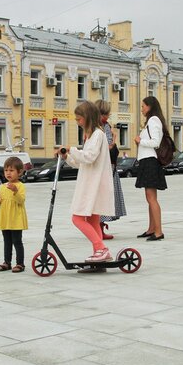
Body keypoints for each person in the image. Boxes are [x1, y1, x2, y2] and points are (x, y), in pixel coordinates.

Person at [57, 101, 116, 270]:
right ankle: (99, 256)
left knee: (77, 218)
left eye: (79, 119)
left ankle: (101, 249)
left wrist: (71, 148)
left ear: (87, 118)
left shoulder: (98, 134)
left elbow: (89, 157)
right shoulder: (91, 136)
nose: (78, 122)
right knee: (93, 220)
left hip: (93, 185)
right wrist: (67, 156)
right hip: (91, 183)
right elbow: (82, 162)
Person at [134, 96, 167, 241]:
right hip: (147, 161)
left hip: (150, 161)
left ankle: (158, 231)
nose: (141, 109)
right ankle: (151, 228)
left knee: (151, 198)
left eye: (143, 106)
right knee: (150, 198)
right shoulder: (152, 121)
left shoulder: (154, 120)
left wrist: (140, 140)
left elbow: (155, 142)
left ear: (150, 106)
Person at [95, 99, 126, 240]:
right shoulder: (103, 127)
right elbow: (107, 147)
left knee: (99, 200)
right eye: (106, 114)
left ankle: (99, 229)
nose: (107, 116)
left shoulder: (93, 126)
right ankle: (99, 231)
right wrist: (113, 139)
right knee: (104, 199)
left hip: (100, 167)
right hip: (106, 168)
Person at [0, 157, 28, 273]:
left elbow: (21, 200)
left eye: (11, 170)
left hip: (16, 219)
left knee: (17, 241)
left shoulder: (20, 186)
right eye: (6, 170)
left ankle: (20, 263)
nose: (8, 173)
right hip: (5, 218)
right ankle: (7, 262)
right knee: (6, 241)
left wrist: (15, 191)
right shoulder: (2, 187)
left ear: (19, 172)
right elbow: (0, 203)